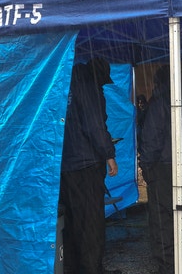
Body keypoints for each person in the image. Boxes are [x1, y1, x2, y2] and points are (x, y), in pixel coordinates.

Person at [59, 57, 121, 274]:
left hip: (64, 165)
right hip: (86, 165)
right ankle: (92, 269)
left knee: (71, 223)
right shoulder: (89, 86)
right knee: (91, 223)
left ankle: (72, 268)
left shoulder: (66, 82)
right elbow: (94, 125)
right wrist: (109, 155)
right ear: (99, 75)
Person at [139, 66, 182, 273]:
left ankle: (168, 265)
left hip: (163, 168)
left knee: (163, 220)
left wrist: (147, 167)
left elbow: (152, 138)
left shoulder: (161, 103)